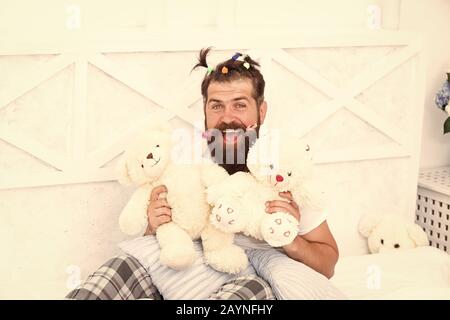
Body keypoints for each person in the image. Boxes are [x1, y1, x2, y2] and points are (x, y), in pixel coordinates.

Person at [66, 47, 339, 300]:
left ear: (262, 111)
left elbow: (328, 265)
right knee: (121, 267)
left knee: (250, 291)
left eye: (240, 105)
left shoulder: (285, 168)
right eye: (216, 105)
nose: (227, 116)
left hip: (251, 275)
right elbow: (158, 244)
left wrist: (291, 240)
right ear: (205, 111)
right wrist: (154, 225)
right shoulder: (183, 159)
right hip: (190, 269)